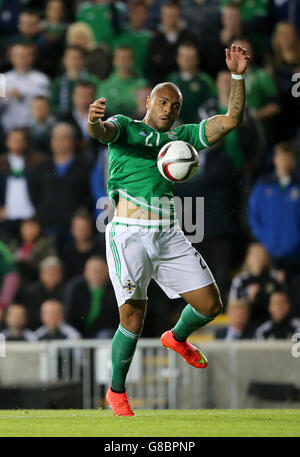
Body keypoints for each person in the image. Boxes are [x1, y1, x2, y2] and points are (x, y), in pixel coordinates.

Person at [88, 43, 250, 416]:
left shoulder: (184, 137)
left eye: (175, 106)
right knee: (132, 317)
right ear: (149, 101)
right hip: (127, 232)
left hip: (169, 232)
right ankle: (116, 392)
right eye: (164, 102)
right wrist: (94, 119)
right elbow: (102, 131)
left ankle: (176, 337)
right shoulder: (126, 128)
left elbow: (231, 119)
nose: (169, 109)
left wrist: (237, 76)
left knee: (211, 305)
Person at [248, 142, 300, 280]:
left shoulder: (298, 186)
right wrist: (264, 239)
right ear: (275, 160)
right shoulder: (262, 185)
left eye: (288, 158)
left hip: (295, 254)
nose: (285, 162)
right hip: (268, 253)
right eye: (282, 157)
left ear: (294, 161)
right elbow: (253, 217)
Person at [0, 42, 51, 132]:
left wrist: (23, 96)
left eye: (26, 55)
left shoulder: (41, 79)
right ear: (11, 57)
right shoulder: (3, 79)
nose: (21, 59)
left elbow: (46, 106)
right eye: (18, 55)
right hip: (7, 130)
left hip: (33, 130)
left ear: (32, 57)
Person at [229, 242, 282, 326]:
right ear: (248, 258)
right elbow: (232, 307)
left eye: (261, 255)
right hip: (248, 323)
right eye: (255, 255)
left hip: (271, 322)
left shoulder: (275, 277)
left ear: (266, 258)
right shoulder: (240, 280)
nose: (258, 258)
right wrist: (248, 299)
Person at [64, 256, 118, 338]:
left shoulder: (115, 289)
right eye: (93, 271)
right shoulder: (76, 288)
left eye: (100, 271)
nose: (96, 274)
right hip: (78, 330)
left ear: (107, 272)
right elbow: (69, 314)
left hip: (105, 333)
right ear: (86, 272)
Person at [147, 0, 198, 86]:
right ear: (162, 17)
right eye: (167, 15)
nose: (170, 18)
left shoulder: (189, 37)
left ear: (179, 16)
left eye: (174, 15)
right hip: (161, 86)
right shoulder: (155, 40)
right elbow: (151, 68)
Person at [167, 42, 217, 124]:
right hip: (175, 128)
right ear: (178, 59)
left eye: (190, 57)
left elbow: (212, 103)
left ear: (197, 60)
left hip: (199, 127)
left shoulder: (205, 80)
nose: (186, 60)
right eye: (183, 57)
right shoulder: (171, 79)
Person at [97, 46, 148, 119]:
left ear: (132, 61)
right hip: (111, 123)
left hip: (135, 122)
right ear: (114, 61)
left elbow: (143, 107)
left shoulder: (142, 84)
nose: (123, 62)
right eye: (120, 58)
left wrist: (117, 103)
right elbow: (103, 108)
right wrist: (131, 102)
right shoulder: (105, 85)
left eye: (127, 58)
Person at [19, 256, 65, 330]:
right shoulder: (31, 291)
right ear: (41, 275)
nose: (51, 276)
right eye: (48, 273)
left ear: (60, 275)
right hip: (34, 329)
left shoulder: (66, 291)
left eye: (54, 273)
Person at [61, 208, 106, 280]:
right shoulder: (67, 251)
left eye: (85, 228)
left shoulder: (101, 249)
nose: (82, 231)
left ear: (91, 228)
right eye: (79, 228)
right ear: (72, 229)